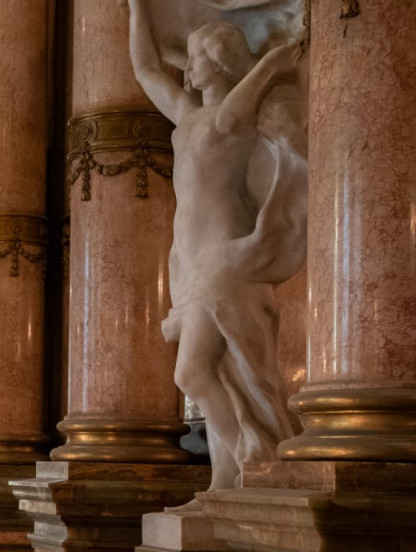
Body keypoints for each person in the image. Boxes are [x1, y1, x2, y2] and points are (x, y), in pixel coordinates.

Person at [125, 0, 306, 490]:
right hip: (188, 261)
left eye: (196, 58)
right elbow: (145, 69)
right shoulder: (187, 116)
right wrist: (136, 6)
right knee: (224, 372)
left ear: (220, 63)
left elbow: (258, 78)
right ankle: (225, 480)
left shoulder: (230, 119)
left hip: (224, 258)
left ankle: (260, 461)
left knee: (193, 372)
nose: (188, 68)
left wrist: (273, 62)